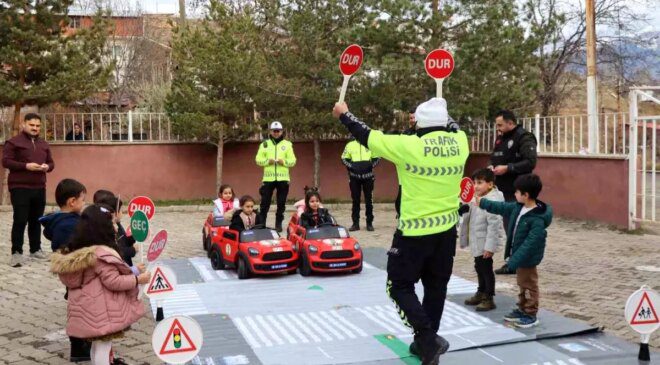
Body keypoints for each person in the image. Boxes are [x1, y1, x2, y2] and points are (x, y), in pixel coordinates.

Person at [333, 97, 468, 365]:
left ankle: (427, 339)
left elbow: (368, 137)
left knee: (398, 285)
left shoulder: (409, 145)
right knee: (435, 287)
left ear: (419, 122)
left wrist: (344, 115)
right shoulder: (461, 142)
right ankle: (426, 346)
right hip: (446, 232)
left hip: (414, 232)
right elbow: (454, 125)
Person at [50, 204, 151, 365]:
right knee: (103, 346)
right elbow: (114, 281)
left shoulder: (80, 250)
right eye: (111, 223)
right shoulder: (102, 254)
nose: (115, 226)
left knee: (97, 346)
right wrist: (139, 279)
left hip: (88, 308)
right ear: (102, 228)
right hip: (101, 310)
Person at [476, 173, 552, 328]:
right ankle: (522, 308)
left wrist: (513, 262)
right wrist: (482, 202)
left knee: (529, 285)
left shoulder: (537, 219)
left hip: (527, 259)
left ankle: (530, 314)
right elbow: (501, 207)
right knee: (522, 283)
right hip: (518, 257)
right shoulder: (519, 207)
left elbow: (530, 244)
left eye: (517, 192)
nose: (514, 194)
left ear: (526, 195)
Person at [39, 178, 90, 362]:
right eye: (83, 199)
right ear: (72, 201)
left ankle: (81, 344)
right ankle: (79, 346)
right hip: (78, 274)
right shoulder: (69, 225)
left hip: (72, 276)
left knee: (78, 308)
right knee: (81, 311)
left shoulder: (61, 221)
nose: (85, 203)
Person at [488, 109, 538, 275]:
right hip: (504, 190)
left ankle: (516, 263)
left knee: (517, 227)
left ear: (511, 123)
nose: (498, 128)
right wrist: (492, 167)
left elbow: (530, 162)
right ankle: (514, 261)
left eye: (500, 125)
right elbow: (496, 157)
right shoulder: (501, 137)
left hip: (518, 191)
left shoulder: (524, 138)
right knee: (509, 226)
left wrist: (508, 168)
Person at [2, 113, 55, 267]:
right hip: (20, 187)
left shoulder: (44, 144)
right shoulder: (13, 143)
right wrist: (26, 166)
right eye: (32, 125)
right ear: (24, 124)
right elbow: (5, 161)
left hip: (39, 187)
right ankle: (16, 253)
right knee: (20, 220)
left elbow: (51, 163)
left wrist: (47, 167)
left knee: (36, 220)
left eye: (38, 126)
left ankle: (35, 249)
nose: (35, 128)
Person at [459, 169, 505, 312]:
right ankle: (480, 292)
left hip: (485, 242)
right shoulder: (476, 197)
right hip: (477, 240)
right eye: (474, 183)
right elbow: (469, 213)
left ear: (490, 185)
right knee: (479, 267)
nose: (476, 186)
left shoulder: (492, 201)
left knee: (486, 269)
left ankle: (488, 298)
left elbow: (494, 226)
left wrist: (490, 247)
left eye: (480, 183)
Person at [255, 121, 297, 232]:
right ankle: (262, 224)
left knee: (281, 203)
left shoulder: (287, 145)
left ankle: (278, 224)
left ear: (282, 131)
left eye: (278, 131)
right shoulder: (264, 144)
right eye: (274, 131)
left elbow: (293, 161)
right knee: (264, 203)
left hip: (283, 178)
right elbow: (258, 160)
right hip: (268, 179)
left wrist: (284, 162)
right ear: (270, 131)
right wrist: (267, 161)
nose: (276, 133)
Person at [92, 190, 141, 273]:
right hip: (118, 269)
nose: (122, 212)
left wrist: (132, 237)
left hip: (126, 266)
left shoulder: (117, 224)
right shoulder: (103, 230)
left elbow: (123, 240)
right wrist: (132, 250)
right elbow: (115, 252)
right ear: (112, 212)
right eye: (121, 210)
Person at [341, 138, 380, 231]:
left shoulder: (370, 143)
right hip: (354, 178)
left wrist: (370, 165)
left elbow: (377, 157)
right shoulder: (350, 144)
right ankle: (355, 224)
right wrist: (352, 166)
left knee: (369, 201)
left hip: (368, 177)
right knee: (355, 201)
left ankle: (369, 223)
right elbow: (343, 158)